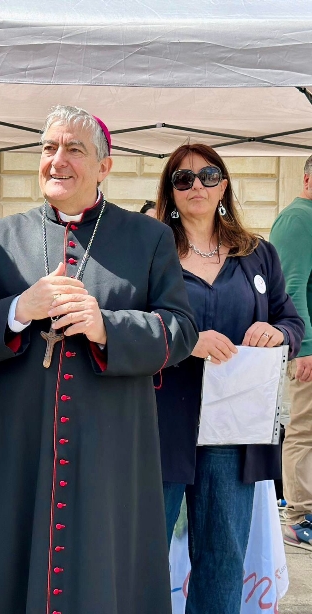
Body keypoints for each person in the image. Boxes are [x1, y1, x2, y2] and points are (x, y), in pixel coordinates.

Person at [0, 105, 198, 614]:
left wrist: (107, 326)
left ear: (104, 166)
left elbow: (181, 330)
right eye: (48, 148)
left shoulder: (149, 238)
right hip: (19, 445)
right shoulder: (2, 237)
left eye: (73, 149)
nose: (57, 160)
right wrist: (19, 310)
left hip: (111, 447)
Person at [155, 143, 304, 614]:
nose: (196, 185)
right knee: (144, 556)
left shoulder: (258, 254)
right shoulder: (152, 251)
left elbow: (292, 322)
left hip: (233, 430)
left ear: (224, 184)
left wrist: (276, 331)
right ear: (171, 191)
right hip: (161, 426)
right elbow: (130, 323)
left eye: (207, 174)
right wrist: (186, 340)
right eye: (183, 179)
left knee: (222, 559)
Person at [270, 155, 312, 549]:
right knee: (303, 428)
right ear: (307, 179)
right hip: (309, 352)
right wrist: (305, 349)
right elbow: (292, 289)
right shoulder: (299, 219)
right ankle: (299, 516)